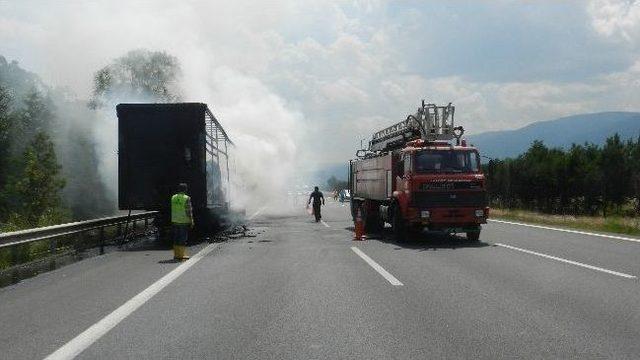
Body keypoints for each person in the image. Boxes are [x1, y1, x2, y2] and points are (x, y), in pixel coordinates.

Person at [171, 183, 194, 260]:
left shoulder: (173, 197)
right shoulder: (186, 198)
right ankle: (181, 255)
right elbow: (189, 211)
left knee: (176, 238)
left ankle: (176, 255)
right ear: (185, 190)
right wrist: (191, 221)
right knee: (182, 238)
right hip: (183, 221)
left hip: (175, 221)